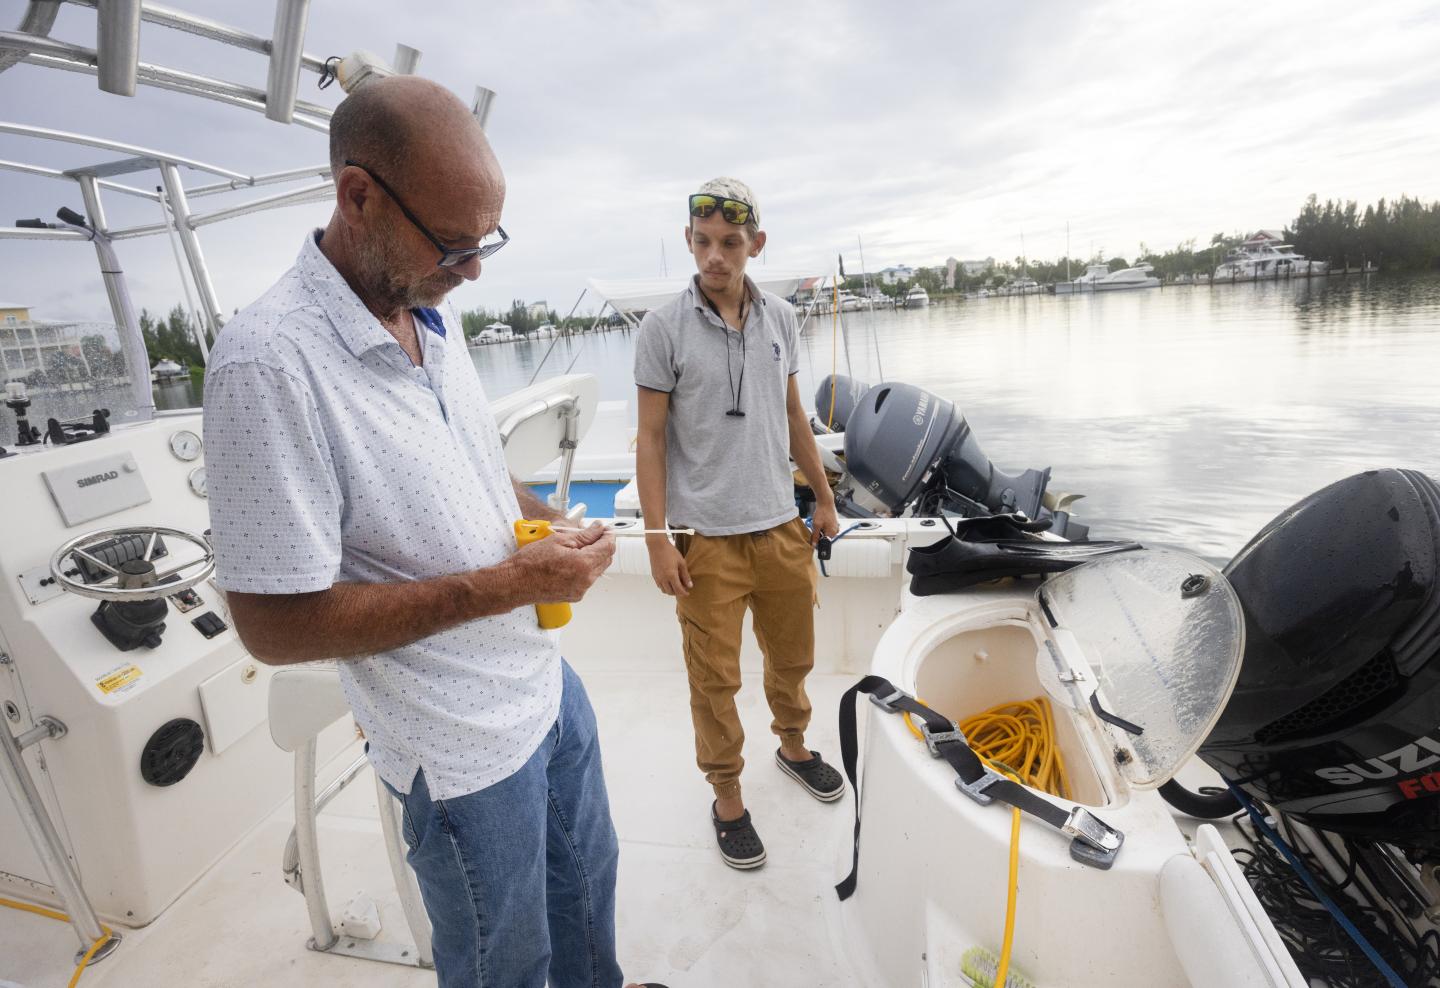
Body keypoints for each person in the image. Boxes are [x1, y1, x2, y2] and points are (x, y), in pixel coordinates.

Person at [203, 76, 662, 988]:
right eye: (454, 243)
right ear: (357, 194)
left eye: (485, 240)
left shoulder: (431, 315)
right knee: (507, 959)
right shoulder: (267, 365)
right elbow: (273, 626)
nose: (474, 269)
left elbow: (476, 466)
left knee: (585, 896)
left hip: (542, 690)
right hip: (455, 751)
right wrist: (505, 586)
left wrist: (536, 519)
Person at [634, 177, 845, 870]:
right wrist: (659, 539)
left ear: (755, 244)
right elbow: (650, 440)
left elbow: (792, 417)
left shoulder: (782, 318)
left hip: (780, 526)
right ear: (689, 243)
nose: (714, 256)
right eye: (702, 243)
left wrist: (822, 497)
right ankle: (726, 795)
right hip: (706, 541)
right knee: (714, 680)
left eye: (729, 243)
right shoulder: (662, 329)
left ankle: (793, 746)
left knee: (793, 658)